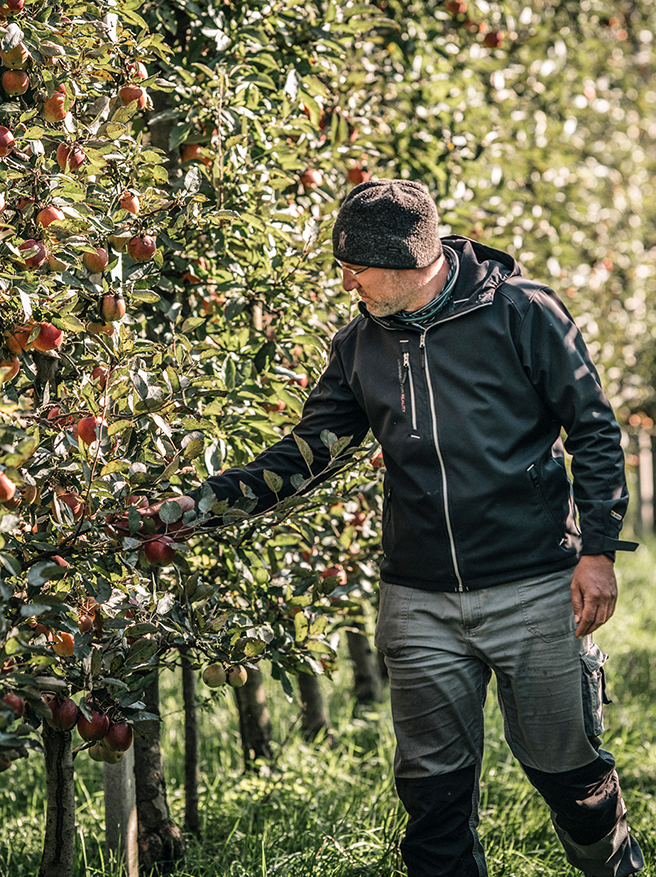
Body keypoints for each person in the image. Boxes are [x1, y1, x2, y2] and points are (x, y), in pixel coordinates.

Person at [152, 179, 644, 877]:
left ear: (409, 259)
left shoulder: (523, 312)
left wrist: (597, 551)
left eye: (355, 264)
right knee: (431, 793)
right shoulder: (358, 346)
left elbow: (593, 430)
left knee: (569, 775)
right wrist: (193, 510)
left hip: (535, 583)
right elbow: (306, 454)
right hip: (418, 598)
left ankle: (613, 866)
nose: (344, 277)